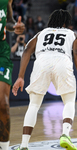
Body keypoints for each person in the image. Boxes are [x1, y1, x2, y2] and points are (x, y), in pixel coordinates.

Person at [12, 9, 77, 150]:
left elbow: (27, 50)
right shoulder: (73, 34)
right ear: (67, 22)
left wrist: (20, 77)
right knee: (69, 101)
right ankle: (65, 135)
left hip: (42, 61)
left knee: (34, 105)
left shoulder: (41, 33)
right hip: (62, 61)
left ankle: (23, 145)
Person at [0, 0, 25, 149]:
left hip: (1, 55)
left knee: (3, 104)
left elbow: (8, 21)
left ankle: (4, 147)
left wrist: (14, 26)